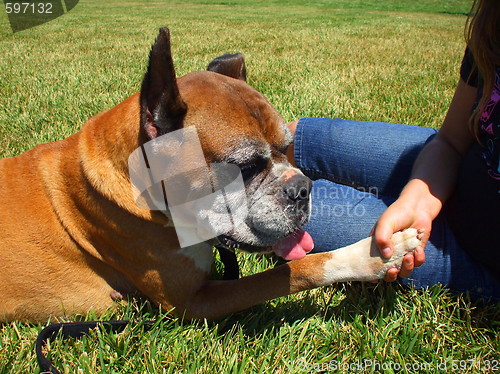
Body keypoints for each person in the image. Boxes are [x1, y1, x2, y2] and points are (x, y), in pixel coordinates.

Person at [286, 0, 499, 300]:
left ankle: (198, 213)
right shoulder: (494, 23)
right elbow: (452, 139)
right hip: (455, 163)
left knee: (284, 208)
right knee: (297, 138)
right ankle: (200, 167)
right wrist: (419, 200)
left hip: (478, 255)